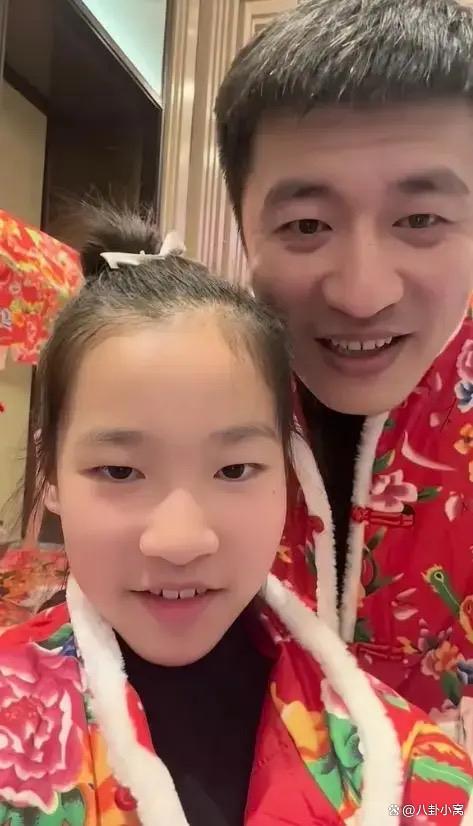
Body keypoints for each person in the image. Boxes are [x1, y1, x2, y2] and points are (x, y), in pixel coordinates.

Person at [0, 207, 472, 826]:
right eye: (119, 471)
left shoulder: (415, 766)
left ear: (287, 473)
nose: (179, 540)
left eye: (233, 470)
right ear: (52, 475)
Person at [215, 0, 473, 742]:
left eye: (419, 220)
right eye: (307, 225)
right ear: (244, 230)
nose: (362, 294)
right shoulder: (192, 408)